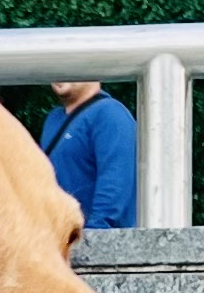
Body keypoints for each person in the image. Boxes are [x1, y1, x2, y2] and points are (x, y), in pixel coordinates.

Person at [41, 75, 138, 229]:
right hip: (58, 238)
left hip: (97, 238)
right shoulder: (53, 120)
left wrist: (95, 234)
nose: (60, 70)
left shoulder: (110, 114)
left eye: (70, 64)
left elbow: (115, 182)